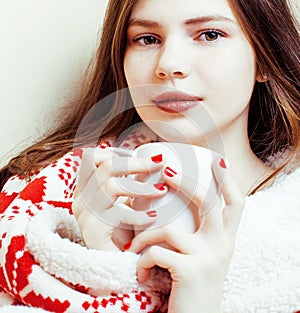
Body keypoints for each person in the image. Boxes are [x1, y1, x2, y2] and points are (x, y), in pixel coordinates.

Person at [0, 0, 299, 312]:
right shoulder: (37, 200)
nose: (169, 64)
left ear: (265, 58)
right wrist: (102, 263)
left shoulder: (291, 234)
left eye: (209, 35)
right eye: (147, 39)